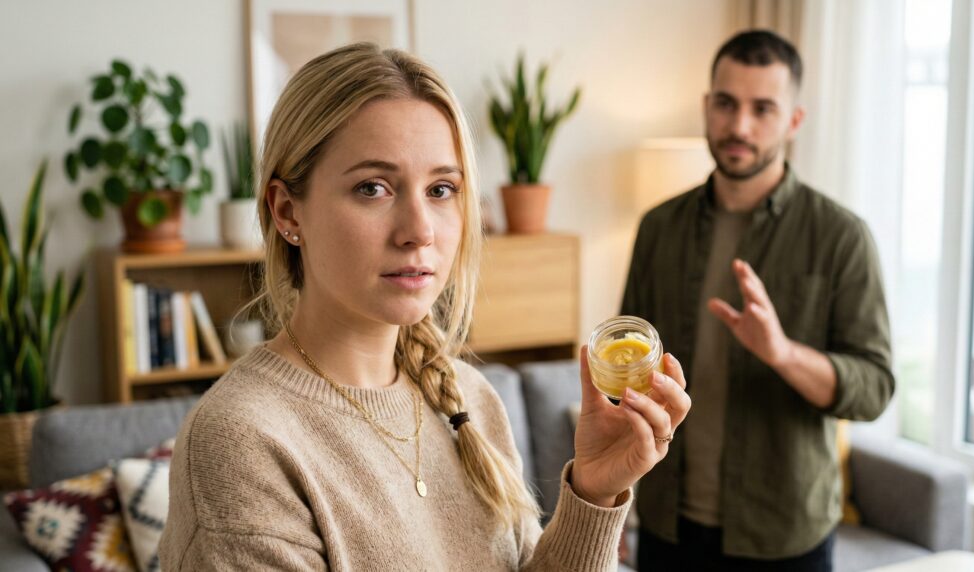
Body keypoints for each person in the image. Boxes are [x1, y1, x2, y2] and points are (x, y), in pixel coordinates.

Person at [157, 42, 691, 571]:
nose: (419, 231)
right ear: (287, 211)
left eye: (441, 189)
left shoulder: (471, 399)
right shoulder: (241, 441)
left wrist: (595, 493)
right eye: (372, 188)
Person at [622, 30, 895, 571]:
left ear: (794, 120)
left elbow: (874, 389)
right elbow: (631, 374)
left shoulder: (842, 237)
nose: (740, 126)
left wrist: (783, 354)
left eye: (763, 109)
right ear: (707, 106)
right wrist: (617, 502)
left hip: (784, 535)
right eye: (726, 104)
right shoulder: (658, 228)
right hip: (666, 525)